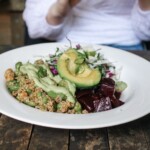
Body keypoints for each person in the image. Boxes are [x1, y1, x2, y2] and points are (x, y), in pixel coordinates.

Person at [23, 0, 150, 50]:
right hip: (71, 43)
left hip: (128, 43)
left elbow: (145, 32)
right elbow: (35, 29)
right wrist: (61, 7)